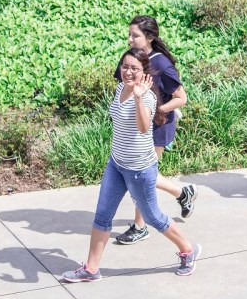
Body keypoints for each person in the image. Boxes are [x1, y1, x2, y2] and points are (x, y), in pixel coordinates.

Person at [62, 47, 201, 282]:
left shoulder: (146, 97)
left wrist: (138, 96)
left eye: (134, 68)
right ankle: (91, 269)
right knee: (102, 215)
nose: (128, 72)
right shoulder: (119, 88)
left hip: (140, 170)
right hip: (116, 164)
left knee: (153, 217)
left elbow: (144, 127)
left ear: (144, 72)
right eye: (125, 66)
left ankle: (188, 249)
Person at [113, 15, 197, 245]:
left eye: (135, 35)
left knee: (142, 177)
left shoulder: (160, 63)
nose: (130, 39)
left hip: (158, 127)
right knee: (144, 176)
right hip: (135, 127)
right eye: (129, 35)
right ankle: (182, 193)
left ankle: (140, 226)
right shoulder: (132, 60)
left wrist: (156, 110)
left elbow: (181, 98)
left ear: (150, 37)